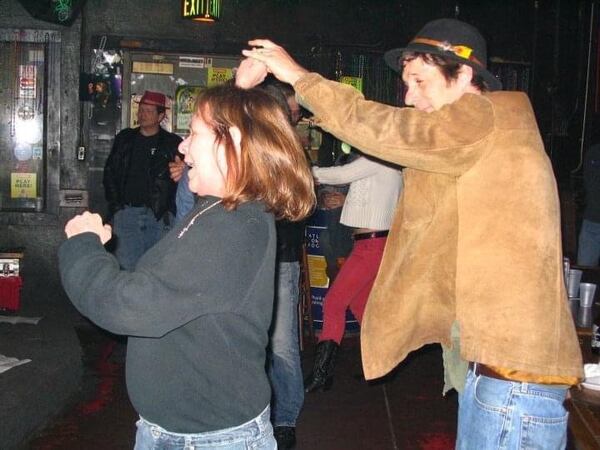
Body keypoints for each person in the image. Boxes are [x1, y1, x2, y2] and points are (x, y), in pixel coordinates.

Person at [241, 17, 583, 449]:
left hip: (514, 378)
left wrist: (298, 78)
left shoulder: (482, 117)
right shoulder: (481, 134)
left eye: (420, 81)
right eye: (406, 83)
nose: (409, 96)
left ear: (463, 74)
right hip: (500, 369)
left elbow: (388, 129)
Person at [58, 84, 315, 450]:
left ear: (233, 141)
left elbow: (128, 306)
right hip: (186, 433)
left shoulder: (232, 225)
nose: (182, 146)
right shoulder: (221, 210)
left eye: (194, 133)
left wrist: (83, 247)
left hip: (206, 440)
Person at [173, 77, 307, 450]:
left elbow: (289, 206)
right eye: (290, 109)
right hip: (238, 262)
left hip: (278, 261)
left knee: (280, 346)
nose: (293, 116)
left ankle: (286, 419)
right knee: (237, 345)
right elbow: (186, 210)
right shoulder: (229, 158)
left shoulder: (278, 156)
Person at [304, 153, 402, 392]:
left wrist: (305, 170)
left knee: (333, 303)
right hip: (371, 244)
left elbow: (341, 174)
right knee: (362, 309)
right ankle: (381, 366)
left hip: (371, 246)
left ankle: (321, 373)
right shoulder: (384, 162)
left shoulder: (380, 159)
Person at [103, 90, 182, 270]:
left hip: (158, 216)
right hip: (127, 213)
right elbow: (110, 173)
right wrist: (116, 207)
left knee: (155, 269)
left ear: (161, 115)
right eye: (141, 110)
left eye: (148, 111)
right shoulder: (125, 139)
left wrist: (168, 211)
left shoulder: (172, 143)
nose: (142, 114)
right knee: (126, 268)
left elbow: (180, 181)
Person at [577, 142, 600, 266]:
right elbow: (592, 187)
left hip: (593, 223)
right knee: (585, 274)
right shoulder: (594, 153)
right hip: (593, 223)